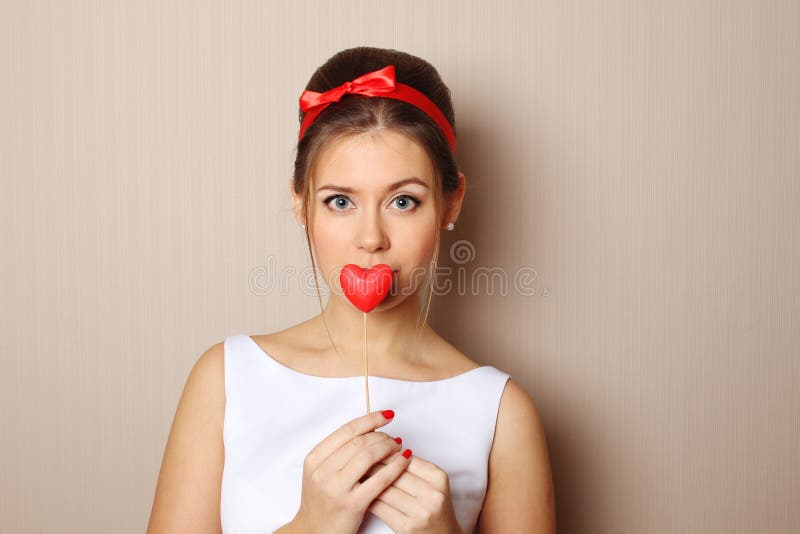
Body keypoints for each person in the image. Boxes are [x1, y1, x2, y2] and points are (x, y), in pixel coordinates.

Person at [147, 46, 555, 534]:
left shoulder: (502, 413)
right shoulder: (225, 379)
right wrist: (312, 525)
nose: (370, 238)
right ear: (300, 203)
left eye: (403, 201)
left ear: (451, 203)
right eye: (340, 201)